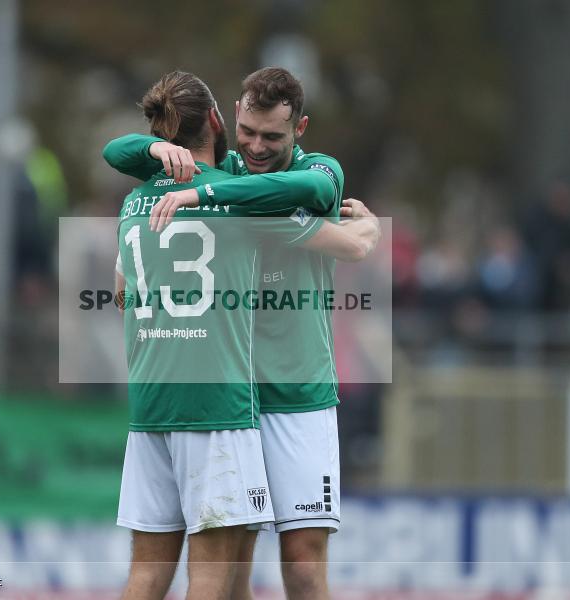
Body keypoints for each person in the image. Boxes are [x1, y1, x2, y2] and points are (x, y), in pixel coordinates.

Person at [110, 71, 378, 600]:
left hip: (295, 395)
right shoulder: (228, 174)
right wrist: (160, 150)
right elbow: (118, 151)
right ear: (228, 115)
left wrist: (199, 193)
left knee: (302, 564)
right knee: (230, 571)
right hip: (231, 398)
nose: (255, 147)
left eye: (272, 137)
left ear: (300, 129)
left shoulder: (313, 170)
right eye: (248, 131)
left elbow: (319, 192)